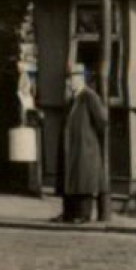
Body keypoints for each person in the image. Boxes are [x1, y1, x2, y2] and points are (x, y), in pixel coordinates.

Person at [54, 67, 108, 223]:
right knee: (71, 180)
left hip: (85, 148)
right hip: (72, 148)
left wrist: (89, 139)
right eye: (68, 79)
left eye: (71, 79)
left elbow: (102, 121)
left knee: (83, 182)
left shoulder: (90, 97)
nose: (68, 82)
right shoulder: (73, 99)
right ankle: (68, 213)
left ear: (80, 80)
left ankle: (83, 215)